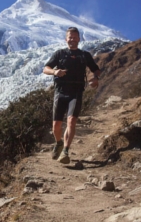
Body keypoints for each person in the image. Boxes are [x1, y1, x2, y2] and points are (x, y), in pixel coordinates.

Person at [43, 27, 101, 164]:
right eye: (70, 37)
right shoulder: (59, 54)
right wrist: (55, 72)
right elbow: (46, 68)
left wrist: (95, 78)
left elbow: (96, 70)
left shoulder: (84, 55)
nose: (72, 40)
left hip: (76, 92)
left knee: (71, 121)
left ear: (79, 39)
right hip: (60, 92)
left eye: (75, 37)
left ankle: (66, 151)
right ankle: (58, 143)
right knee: (56, 125)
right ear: (66, 39)